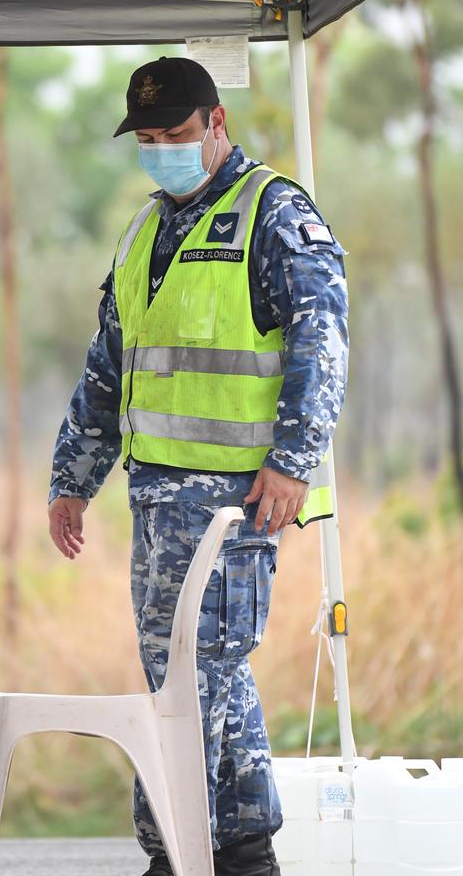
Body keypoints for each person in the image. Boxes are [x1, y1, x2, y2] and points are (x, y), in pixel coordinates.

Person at [47, 56, 348, 876]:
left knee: (189, 681)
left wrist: (292, 461)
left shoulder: (275, 213)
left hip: (237, 503)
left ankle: (174, 854)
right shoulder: (145, 229)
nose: (161, 150)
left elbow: (323, 342)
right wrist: (73, 477)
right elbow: (110, 365)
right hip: (157, 498)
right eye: (147, 138)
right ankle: (245, 850)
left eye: (176, 134)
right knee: (204, 672)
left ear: (217, 125)